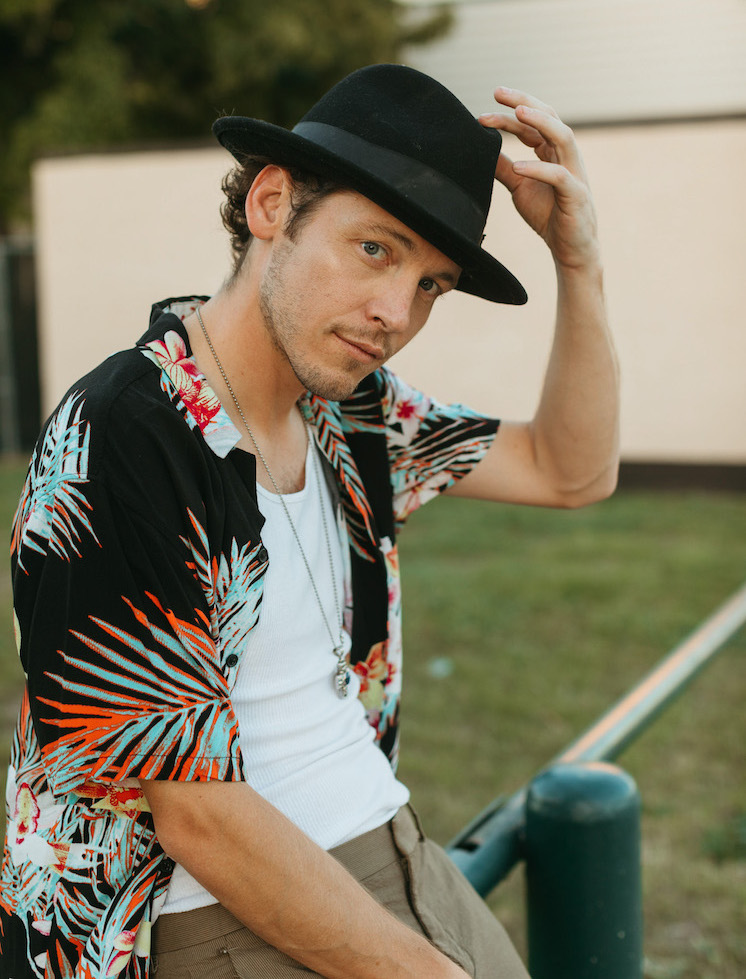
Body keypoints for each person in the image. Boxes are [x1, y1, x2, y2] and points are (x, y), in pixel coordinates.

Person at [1, 63, 619, 979]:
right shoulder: (130, 431)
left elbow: (571, 470)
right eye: (376, 249)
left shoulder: (350, 414)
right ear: (272, 202)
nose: (394, 312)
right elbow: (196, 809)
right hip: (204, 911)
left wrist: (580, 262)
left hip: (396, 849)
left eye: (430, 285)